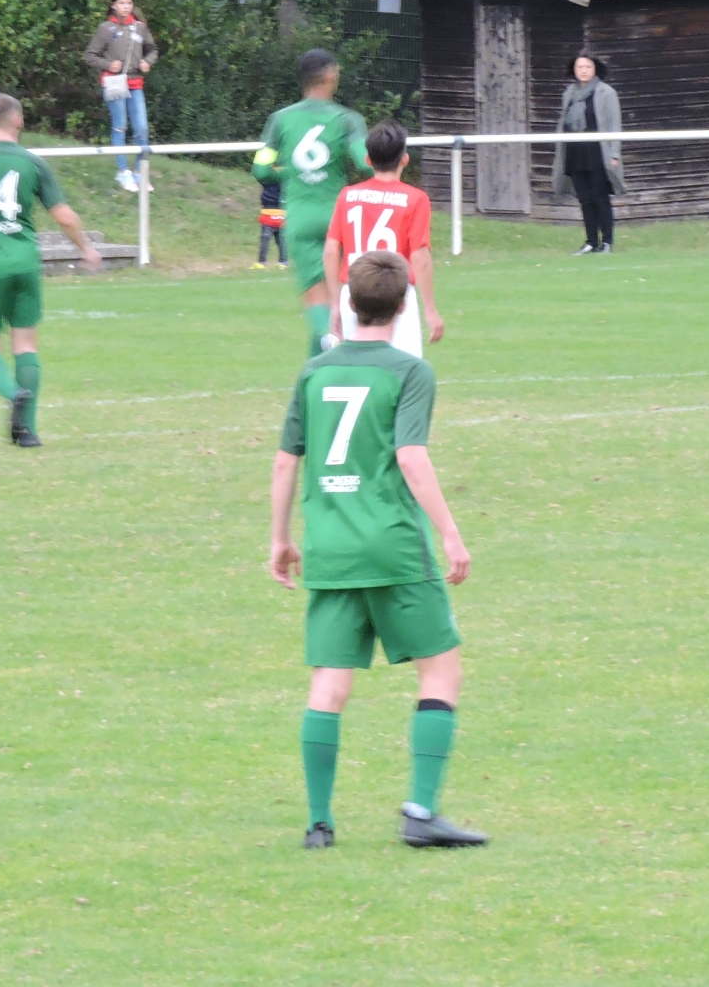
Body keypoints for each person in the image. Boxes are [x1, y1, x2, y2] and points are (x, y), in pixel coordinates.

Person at [268, 250, 485, 850]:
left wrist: (281, 539)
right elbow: (411, 457)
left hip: (330, 549)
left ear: (346, 301)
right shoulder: (410, 372)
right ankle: (420, 812)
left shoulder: (314, 372)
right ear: (405, 303)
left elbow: (286, 461)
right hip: (393, 547)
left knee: (329, 686)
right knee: (441, 670)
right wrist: (450, 532)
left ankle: (319, 823)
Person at [0, 92, 102, 447]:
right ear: (19, 121)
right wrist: (86, 248)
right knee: (25, 343)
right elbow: (63, 216)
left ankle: (13, 393)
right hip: (26, 261)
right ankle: (26, 431)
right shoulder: (34, 163)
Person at [253, 48, 370, 357]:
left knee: (317, 303)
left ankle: (321, 363)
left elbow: (261, 169)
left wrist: (292, 173)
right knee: (342, 299)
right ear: (330, 75)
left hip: (301, 218)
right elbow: (366, 162)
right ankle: (332, 359)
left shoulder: (279, 120)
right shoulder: (348, 120)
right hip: (339, 218)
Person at [323, 119, 445, 356]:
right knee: (403, 366)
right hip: (396, 293)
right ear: (405, 159)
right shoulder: (415, 199)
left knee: (359, 365)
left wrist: (335, 304)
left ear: (368, 160)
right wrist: (430, 309)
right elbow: (419, 256)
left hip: (355, 291)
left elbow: (330, 251)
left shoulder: (348, 196)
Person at [83, 0, 157, 193]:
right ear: (113, 5)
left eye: (129, 3)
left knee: (142, 128)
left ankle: (140, 171)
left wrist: (147, 62)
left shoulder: (140, 27)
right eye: (122, 3)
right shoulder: (106, 28)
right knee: (120, 126)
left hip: (135, 82)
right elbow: (89, 56)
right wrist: (108, 65)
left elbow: (152, 49)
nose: (126, 7)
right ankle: (123, 171)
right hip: (114, 82)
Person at [549, 52, 624, 255]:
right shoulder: (569, 92)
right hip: (575, 152)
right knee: (585, 199)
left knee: (600, 198)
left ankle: (606, 242)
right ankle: (591, 241)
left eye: (588, 67)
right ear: (574, 70)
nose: (583, 71)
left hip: (597, 152)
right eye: (580, 67)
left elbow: (614, 124)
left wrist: (614, 154)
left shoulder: (606, 92)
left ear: (595, 69)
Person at [255, 179, 288, 269]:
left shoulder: (270, 178)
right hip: (277, 211)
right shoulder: (283, 179)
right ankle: (282, 261)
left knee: (268, 239)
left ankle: (263, 262)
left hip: (273, 210)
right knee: (279, 239)